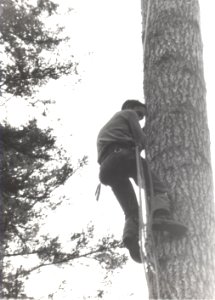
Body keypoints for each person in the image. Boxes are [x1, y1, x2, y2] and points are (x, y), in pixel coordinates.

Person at [97, 100, 188, 263]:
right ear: (132, 108)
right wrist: (146, 134)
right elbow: (140, 140)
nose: (140, 117)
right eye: (140, 114)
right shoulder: (128, 114)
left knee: (131, 210)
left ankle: (131, 238)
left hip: (106, 169)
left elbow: (132, 138)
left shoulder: (113, 126)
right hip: (123, 157)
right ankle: (161, 216)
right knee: (157, 188)